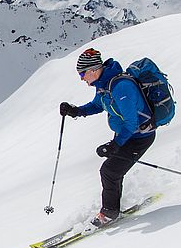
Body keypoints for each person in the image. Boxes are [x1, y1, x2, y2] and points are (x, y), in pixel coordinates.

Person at [59, 48, 156, 227]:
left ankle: (110, 213)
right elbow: (97, 105)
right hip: (126, 136)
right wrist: (76, 111)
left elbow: (131, 123)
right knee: (113, 171)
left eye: (83, 73)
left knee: (109, 171)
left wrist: (115, 145)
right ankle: (113, 207)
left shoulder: (121, 87)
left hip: (139, 136)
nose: (82, 78)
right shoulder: (104, 86)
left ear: (94, 70)